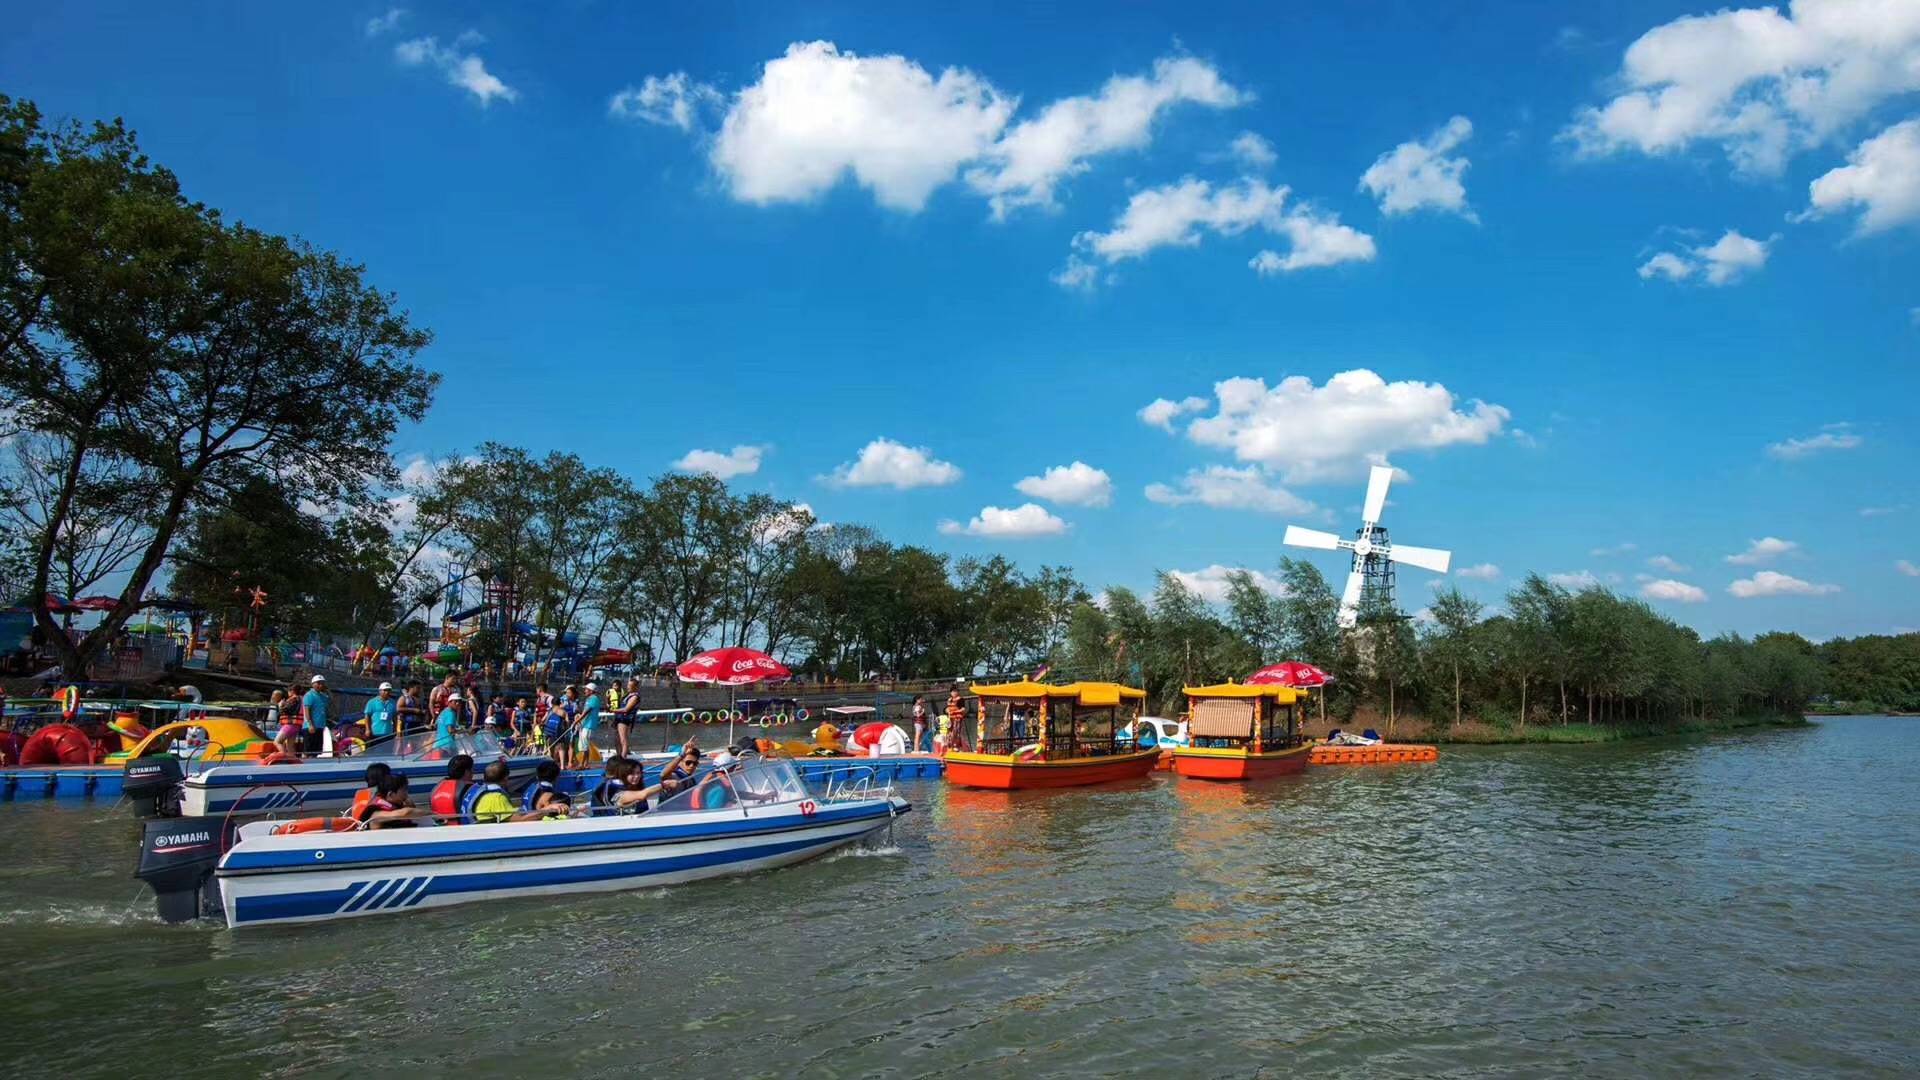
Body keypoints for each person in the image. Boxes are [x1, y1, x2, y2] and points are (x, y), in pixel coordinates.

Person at [471, 759, 564, 823]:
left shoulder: (477, 791)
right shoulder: (497, 798)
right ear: (506, 778)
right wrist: (547, 810)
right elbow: (520, 820)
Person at [365, 772, 430, 829]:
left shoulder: (397, 804)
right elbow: (405, 813)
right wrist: (434, 814)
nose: (407, 792)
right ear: (391, 794)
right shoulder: (377, 814)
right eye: (404, 789)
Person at [428, 754, 476, 821]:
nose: (473, 773)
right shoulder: (470, 788)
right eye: (472, 769)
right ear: (467, 772)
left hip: (441, 828)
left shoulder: (436, 788)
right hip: (464, 828)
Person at [301, 675, 331, 756]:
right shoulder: (309, 695)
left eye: (322, 683)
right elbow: (307, 711)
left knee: (316, 751)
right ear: (313, 684)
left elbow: (329, 701)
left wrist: (327, 690)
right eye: (318, 683)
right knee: (308, 750)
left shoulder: (323, 696)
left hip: (320, 726)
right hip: (310, 727)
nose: (320, 685)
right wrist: (310, 724)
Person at [432, 692, 465, 757]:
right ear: (449, 702)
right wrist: (465, 731)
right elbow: (450, 730)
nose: (458, 703)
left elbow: (435, 725)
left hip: (437, 745)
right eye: (455, 701)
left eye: (459, 702)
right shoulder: (451, 713)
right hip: (447, 746)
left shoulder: (443, 712)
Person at [267, 689, 297, 757]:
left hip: (288, 725)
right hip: (292, 725)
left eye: (274, 695)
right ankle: (292, 758)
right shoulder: (281, 703)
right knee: (289, 745)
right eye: (272, 695)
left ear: (279, 696)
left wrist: (280, 706)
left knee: (277, 742)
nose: (272, 697)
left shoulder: (282, 703)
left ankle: (283, 755)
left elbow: (283, 712)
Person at [578, 681, 603, 763]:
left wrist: (577, 721)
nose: (584, 691)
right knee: (585, 744)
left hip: (589, 725)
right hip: (585, 724)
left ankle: (583, 763)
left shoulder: (594, 699)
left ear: (591, 691)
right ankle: (585, 763)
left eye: (586, 689)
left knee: (585, 744)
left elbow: (586, 712)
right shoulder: (589, 699)